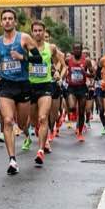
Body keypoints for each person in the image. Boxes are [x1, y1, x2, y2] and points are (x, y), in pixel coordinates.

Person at [0, 9, 43, 175]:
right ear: (1, 22)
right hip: (6, 85)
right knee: (7, 120)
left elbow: (38, 59)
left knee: (21, 124)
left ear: (14, 22)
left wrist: (22, 58)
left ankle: (26, 134)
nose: (7, 21)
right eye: (4, 19)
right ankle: (12, 160)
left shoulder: (24, 38)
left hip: (23, 85)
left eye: (10, 19)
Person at [26, 21, 65, 165]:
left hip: (45, 86)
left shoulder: (51, 48)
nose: (38, 33)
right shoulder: (26, 47)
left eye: (40, 30)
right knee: (33, 120)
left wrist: (57, 73)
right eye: (35, 30)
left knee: (43, 118)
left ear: (44, 31)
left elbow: (58, 62)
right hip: (30, 86)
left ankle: (41, 150)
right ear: (32, 32)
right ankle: (41, 134)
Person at [66, 43, 94, 142]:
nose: (77, 50)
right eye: (75, 49)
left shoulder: (86, 61)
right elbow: (64, 70)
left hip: (82, 88)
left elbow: (93, 74)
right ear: (73, 50)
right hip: (72, 87)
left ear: (81, 50)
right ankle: (73, 113)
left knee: (82, 112)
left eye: (79, 49)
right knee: (72, 107)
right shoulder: (68, 60)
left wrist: (85, 73)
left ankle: (80, 132)